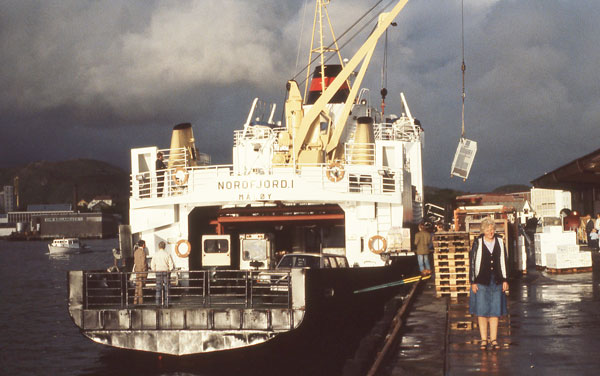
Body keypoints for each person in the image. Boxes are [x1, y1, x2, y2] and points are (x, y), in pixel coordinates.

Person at [469, 217, 509, 350]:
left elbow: (504, 261)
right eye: (487, 229)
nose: (490, 231)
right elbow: (473, 263)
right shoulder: (478, 242)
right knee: (482, 311)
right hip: (481, 281)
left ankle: (494, 340)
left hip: (497, 280)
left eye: (492, 229)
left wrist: (505, 279)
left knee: (495, 311)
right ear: (483, 231)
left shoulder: (499, 241)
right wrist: (473, 281)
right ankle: (484, 340)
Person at [151, 241, 175, 306]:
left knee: (158, 288)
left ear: (159, 246)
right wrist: (169, 270)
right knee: (167, 288)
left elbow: (152, 265)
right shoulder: (167, 254)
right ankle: (167, 303)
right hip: (166, 272)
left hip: (158, 272)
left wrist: (155, 270)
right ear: (164, 246)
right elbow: (171, 265)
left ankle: (157, 303)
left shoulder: (155, 254)